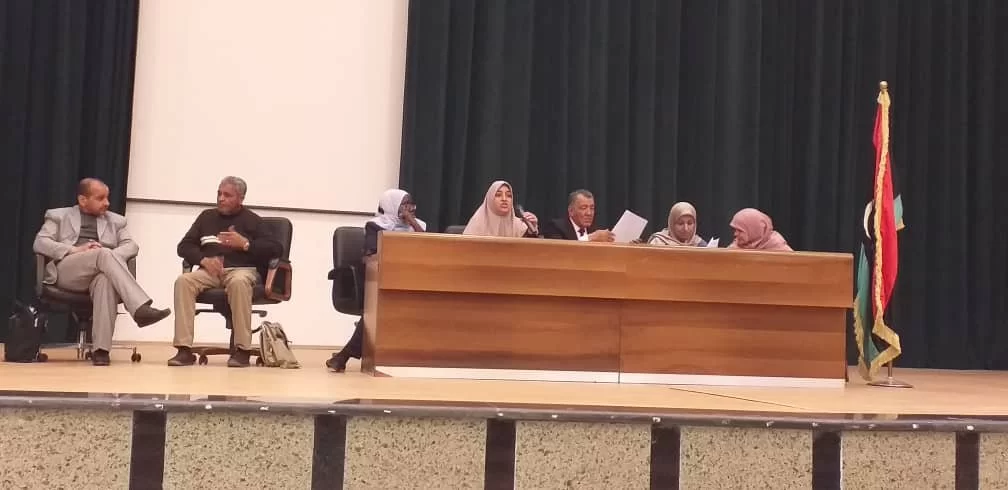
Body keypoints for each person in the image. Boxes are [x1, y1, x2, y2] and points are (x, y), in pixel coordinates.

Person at [33, 178, 171, 366]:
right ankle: (139, 308)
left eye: (107, 198)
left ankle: (101, 351)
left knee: (105, 280)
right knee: (103, 254)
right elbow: (40, 242)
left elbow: (131, 246)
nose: (107, 203)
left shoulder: (116, 221)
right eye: (100, 198)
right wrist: (76, 250)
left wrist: (108, 256)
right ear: (83, 200)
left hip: (101, 269)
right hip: (68, 272)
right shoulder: (58, 216)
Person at [168, 176, 283, 367]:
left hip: (242, 271)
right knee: (184, 281)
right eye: (219, 194)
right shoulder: (206, 217)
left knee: (238, 282)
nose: (221, 198)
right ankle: (184, 350)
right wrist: (203, 260)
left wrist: (245, 244)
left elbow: (275, 249)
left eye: (227, 195)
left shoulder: (253, 221)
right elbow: (184, 246)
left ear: (241, 198)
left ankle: (242, 350)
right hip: (210, 272)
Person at [327, 188, 425, 373]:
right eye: (405, 205)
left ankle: (344, 355)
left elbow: (428, 246)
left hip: (408, 279)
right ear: (392, 205)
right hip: (376, 281)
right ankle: (344, 355)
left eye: (412, 205)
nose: (410, 209)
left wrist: (412, 222)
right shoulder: (375, 226)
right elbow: (370, 255)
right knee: (382, 305)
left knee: (392, 304)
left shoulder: (419, 226)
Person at [462, 180, 540, 237]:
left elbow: (531, 250)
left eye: (509, 195)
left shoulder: (518, 225)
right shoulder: (477, 223)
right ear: (490, 199)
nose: (504, 199)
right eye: (498, 195)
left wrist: (531, 230)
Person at [541, 189, 615, 242]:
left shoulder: (595, 230)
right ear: (571, 211)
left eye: (592, 208)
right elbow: (560, 250)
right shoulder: (555, 227)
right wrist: (590, 238)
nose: (589, 213)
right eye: (583, 208)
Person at [727, 208, 793, 251]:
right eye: (735, 230)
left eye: (740, 231)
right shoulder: (735, 247)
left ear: (753, 230)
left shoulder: (779, 249)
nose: (735, 234)